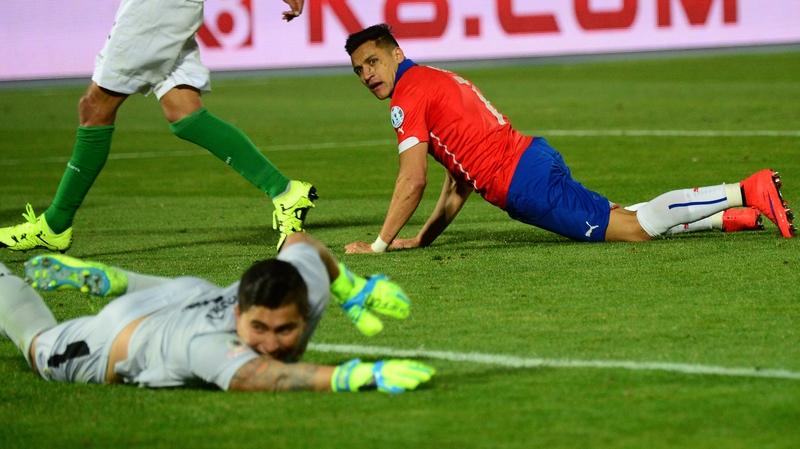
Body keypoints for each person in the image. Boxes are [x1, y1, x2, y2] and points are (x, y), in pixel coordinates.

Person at [341, 24, 795, 254]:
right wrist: (422, 240)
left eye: (373, 62)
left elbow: (412, 180)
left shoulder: (408, 96)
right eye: (359, 69)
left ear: (396, 54)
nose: (367, 75)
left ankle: (745, 189)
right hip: (531, 158)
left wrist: (379, 244)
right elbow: (458, 181)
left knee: (631, 232)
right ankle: (727, 217)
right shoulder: (431, 79)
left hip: (522, 182)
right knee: (618, 216)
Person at [0, 0, 316, 253]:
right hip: (163, 9)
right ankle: (286, 191)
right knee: (185, 114)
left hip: (156, 10)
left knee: (94, 108)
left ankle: (54, 226)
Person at [0, 233, 434, 392]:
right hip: (105, 344)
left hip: (188, 297)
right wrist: (352, 376)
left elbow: (301, 242)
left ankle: (118, 280)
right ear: (240, 310)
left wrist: (350, 288)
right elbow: (263, 376)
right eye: (258, 328)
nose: (268, 344)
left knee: (190, 293)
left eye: (284, 330)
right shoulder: (209, 348)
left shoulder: (304, 287)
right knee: (35, 339)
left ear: (307, 312)